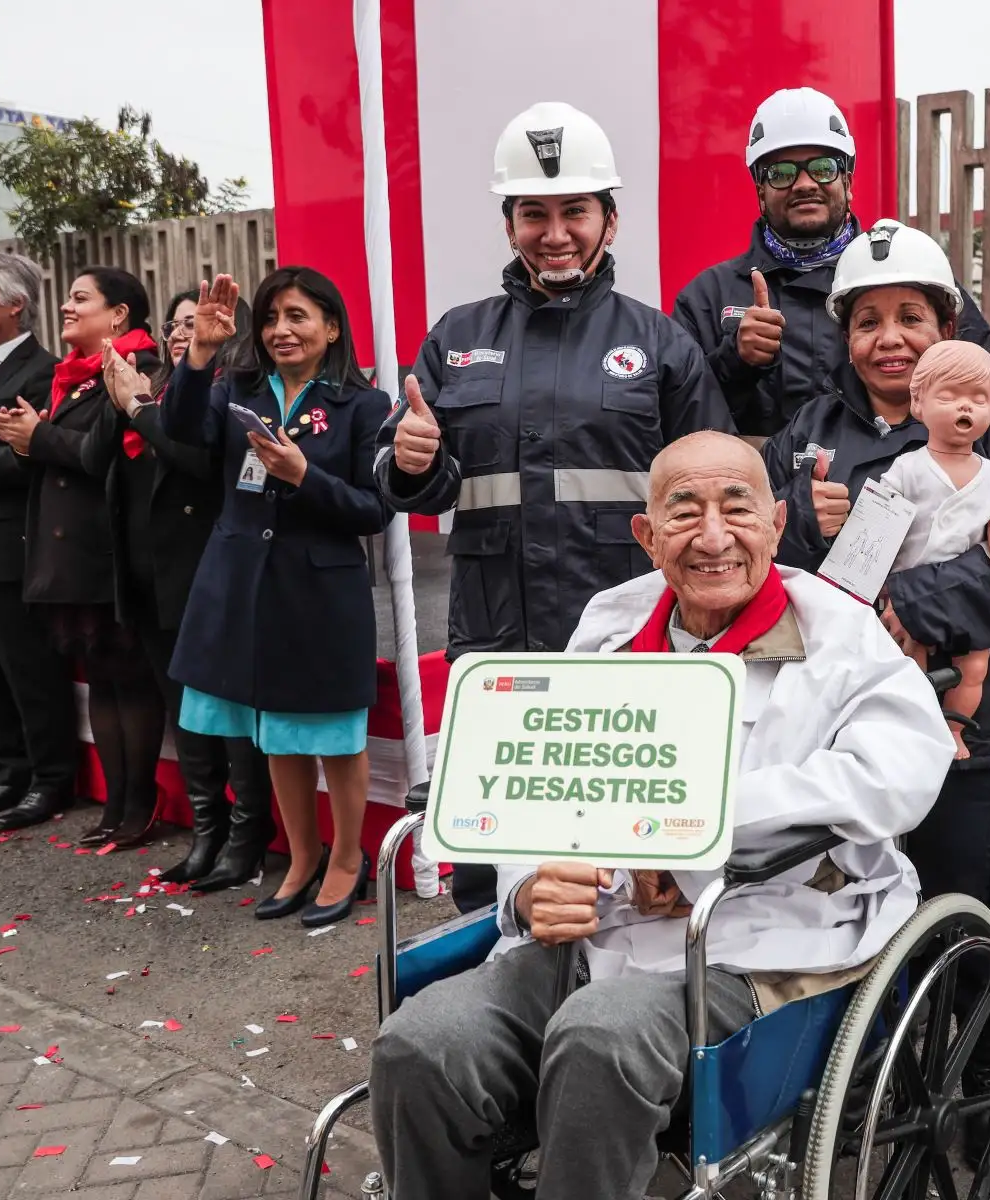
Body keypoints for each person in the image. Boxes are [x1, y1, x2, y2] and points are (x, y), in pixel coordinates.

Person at [368, 430, 954, 1200]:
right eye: (685, 512)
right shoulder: (611, 627)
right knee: (419, 1042)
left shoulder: (842, 637)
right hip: (595, 927)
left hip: (755, 935)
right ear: (647, 536)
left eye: (737, 508)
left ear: (777, 525)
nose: (714, 537)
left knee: (601, 1036)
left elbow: (896, 777)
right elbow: (535, 776)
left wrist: (680, 838)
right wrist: (527, 885)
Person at [760, 216, 990, 1164]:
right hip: (841, 734)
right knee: (851, 912)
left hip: (979, 727)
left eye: (912, 317)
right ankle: (872, 1081)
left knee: (971, 911)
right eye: (867, 321)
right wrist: (812, 536)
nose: (889, 339)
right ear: (843, 333)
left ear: (949, 321)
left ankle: (986, 1100)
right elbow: (765, 571)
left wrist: (920, 604)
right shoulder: (808, 435)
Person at [378, 101, 734, 913]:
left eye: (575, 210)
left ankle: (604, 1025)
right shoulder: (457, 338)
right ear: (509, 225)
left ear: (610, 219)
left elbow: (713, 483)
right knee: (492, 861)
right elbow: (417, 482)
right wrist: (410, 464)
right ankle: (491, 1014)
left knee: (622, 868)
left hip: (628, 643)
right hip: (496, 647)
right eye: (533, 213)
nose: (555, 231)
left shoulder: (661, 343)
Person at [163, 269, 394, 926]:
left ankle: (347, 859)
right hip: (241, 588)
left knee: (333, 739)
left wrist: (303, 475)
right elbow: (183, 432)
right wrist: (200, 353)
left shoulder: (363, 405)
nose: (280, 331)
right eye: (270, 319)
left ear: (331, 327)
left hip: (320, 596)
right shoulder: (237, 387)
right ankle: (301, 857)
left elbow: (374, 510)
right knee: (277, 735)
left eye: (297, 316)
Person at [672, 87, 990, 439]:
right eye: (781, 172)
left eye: (823, 168)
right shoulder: (707, 298)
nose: (804, 184)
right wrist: (736, 362)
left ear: (848, 180)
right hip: (757, 493)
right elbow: (675, 423)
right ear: (760, 189)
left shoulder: (913, 275)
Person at [0, 267, 163, 835]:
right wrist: (29, 438)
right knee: (102, 681)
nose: (66, 307)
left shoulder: (136, 369)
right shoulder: (72, 377)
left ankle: (139, 805)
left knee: (130, 681)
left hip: (111, 554)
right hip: (72, 555)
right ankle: (115, 807)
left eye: (81, 299)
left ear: (119, 315)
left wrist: (37, 438)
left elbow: (99, 455)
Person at [102, 288, 277, 885]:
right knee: (188, 719)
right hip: (148, 577)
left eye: (192, 323)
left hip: (207, 577)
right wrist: (126, 400)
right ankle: (209, 830)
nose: (180, 333)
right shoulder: (155, 387)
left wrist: (140, 407)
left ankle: (247, 837)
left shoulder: (233, 392)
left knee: (225, 718)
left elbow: (198, 459)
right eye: (174, 325)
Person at [0, 252, 76, 827]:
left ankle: (50, 779)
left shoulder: (42, 373)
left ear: (14, 303)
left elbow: (23, 459)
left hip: (8, 546)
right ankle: (0, 770)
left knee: (26, 669)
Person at [877, 340, 990, 759]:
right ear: (918, 403)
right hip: (910, 590)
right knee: (909, 658)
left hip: (969, 595)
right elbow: (880, 521)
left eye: (979, 400)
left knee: (973, 667)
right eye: (950, 396)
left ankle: (954, 730)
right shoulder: (907, 468)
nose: (966, 408)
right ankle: (916, 725)